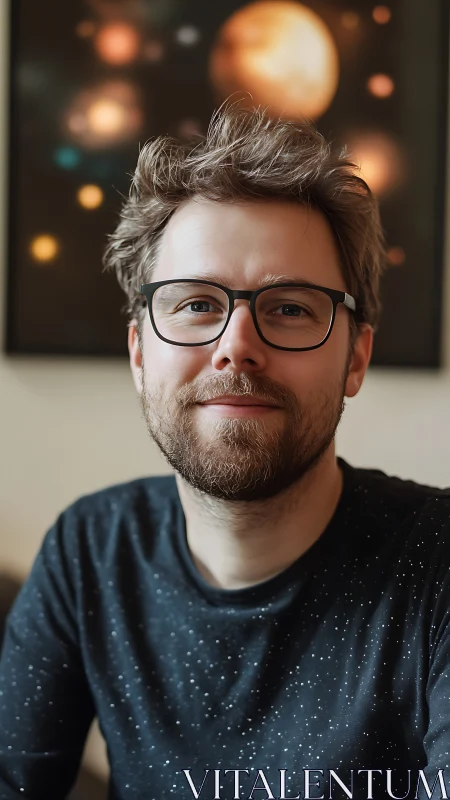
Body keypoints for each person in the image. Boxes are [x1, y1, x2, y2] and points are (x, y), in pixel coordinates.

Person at [1, 105, 449, 800]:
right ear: (139, 354)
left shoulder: (439, 567)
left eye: (291, 308)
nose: (237, 344)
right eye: (196, 305)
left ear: (356, 356)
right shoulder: (90, 552)